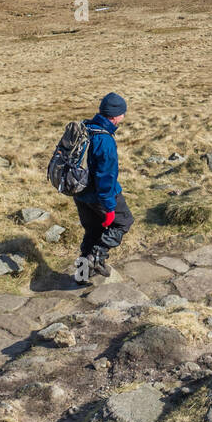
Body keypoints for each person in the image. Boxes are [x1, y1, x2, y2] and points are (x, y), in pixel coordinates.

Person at [73, 92, 134, 283]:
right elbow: (105, 178)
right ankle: (96, 257)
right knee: (123, 221)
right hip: (99, 196)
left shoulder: (86, 127)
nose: (124, 116)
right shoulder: (105, 141)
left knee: (92, 231)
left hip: (80, 193)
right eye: (123, 113)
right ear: (116, 116)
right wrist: (109, 208)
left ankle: (82, 275)